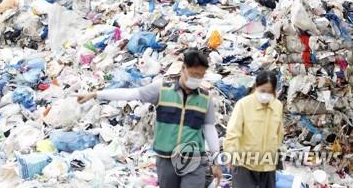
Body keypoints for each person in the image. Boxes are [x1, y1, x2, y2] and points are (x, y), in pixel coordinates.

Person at [77, 49, 222, 188]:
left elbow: (209, 128)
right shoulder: (162, 90)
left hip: (194, 161)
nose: (196, 79)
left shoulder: (205, 98)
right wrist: (97, 94)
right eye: (193, 74)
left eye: (200, 76)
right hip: (166, 160)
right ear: (183, 69)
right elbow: (131, 94)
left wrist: (216, 162)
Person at [223, 71, 284, 188]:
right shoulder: (243, 104)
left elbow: (279, 132)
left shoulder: (277, 105)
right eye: (262, 91)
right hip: (245, 164)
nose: (266, 94)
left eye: (269, 92)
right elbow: (233, 132)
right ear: (256, 87)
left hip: (268, 164)